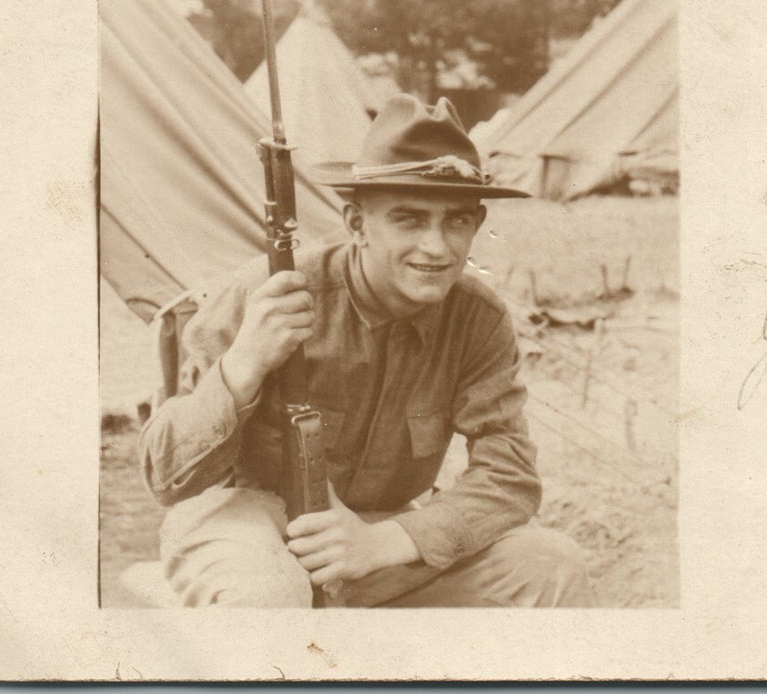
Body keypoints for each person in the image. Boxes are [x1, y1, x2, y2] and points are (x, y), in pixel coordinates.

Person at [139, 95, 593, 607]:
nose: (437, 247)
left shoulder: (476, 320)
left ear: (477, 221)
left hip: (373, 531)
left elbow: (510, 473)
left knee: (551, 565)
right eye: (409, 219)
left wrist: (388, 542)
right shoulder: (264, 295)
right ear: (356, 224)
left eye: (457, 221)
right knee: (268, 594)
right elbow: (165, 476)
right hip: (243, 524)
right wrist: (244, 363)